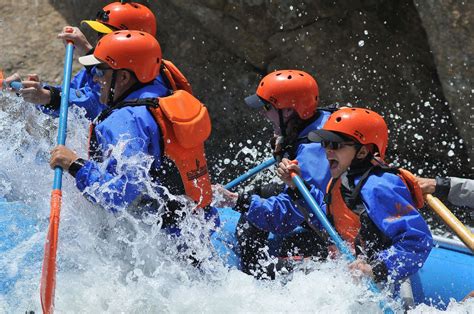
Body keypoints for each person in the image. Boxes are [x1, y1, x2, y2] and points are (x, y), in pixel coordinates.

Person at [49, 30, 215, 233]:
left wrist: (74, 165)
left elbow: (119, 195)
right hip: (199, 227)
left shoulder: (124, 120)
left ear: (124, 77)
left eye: (100, 71)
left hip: (162, 242)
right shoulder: (162, 93)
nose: (95, 79)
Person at [275, 107, 433, 284]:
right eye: (325, 144)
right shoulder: (341, 180)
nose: (328, 151)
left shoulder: (378, 187)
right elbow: (326, 221)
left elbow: (417, 240)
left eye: (335, 145)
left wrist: (376, 269)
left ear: (363, 152)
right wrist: (297, 187)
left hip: (384, 280)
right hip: (351, 269)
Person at [213, 70, 333, 278]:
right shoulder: (320, 120)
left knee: (253, 215)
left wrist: (235, 201)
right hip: (318, 207)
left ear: (287, 112)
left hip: (331, 231)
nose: (262, 113)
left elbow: (283, 217)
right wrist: (283, 146)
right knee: (264, 191)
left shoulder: (312, 155)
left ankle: (253, 276)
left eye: (267, 107)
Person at [5, 2, 190, 121]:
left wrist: (46, 97)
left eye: (105, 35)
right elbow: (75, 93)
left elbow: (92, 105)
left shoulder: (147, 86)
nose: (99, 41)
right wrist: (31, 91)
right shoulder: (112, 70)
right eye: (99, 35)